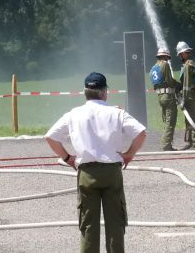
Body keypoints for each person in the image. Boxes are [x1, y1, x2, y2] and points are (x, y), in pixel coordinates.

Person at [45, 72, 147, 253]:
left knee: (88, 225)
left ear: (85, 92)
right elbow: (141, 133)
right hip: (112, 172)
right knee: (115, 223)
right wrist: (129, 154)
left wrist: (68, 158)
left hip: (87, 173)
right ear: (104, 92)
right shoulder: (117, 113)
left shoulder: (74, 114)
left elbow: (50, 137)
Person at [150, 47, 182, 151]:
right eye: (167, 57)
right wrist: (179, 85)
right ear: (164, 56)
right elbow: (169, 81)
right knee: (170, 122)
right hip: (168, 96)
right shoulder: (165, 64)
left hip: (160, 97)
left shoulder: (153, 68)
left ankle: (166, 142)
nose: (168, 59)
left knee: (166, 121)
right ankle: (166, 145)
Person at [176, 41, 195, 150]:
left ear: (184, 53)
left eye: (180, 54)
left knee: (192, 119)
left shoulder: (188, 65)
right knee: (188, 119)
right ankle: (190, 142)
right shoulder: (192, 62)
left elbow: (186, 85)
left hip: (190, 94)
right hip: (192, 92)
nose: (180, 56)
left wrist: (183, 99)